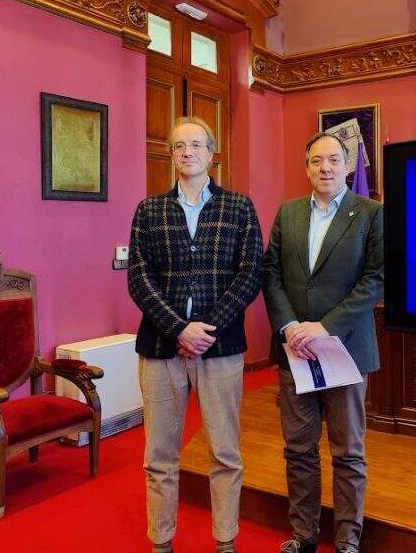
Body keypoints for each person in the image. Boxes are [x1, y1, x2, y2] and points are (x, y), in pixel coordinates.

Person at [128, 116, 263, 553]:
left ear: (211, 153)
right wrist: (179, 328)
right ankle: (161, 541)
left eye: (195, 145)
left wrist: (207, 328)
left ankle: (225, 540)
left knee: (225, 452)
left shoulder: (239, 207)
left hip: (220, 348)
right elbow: (139, 277)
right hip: (160, 348)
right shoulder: (149, 210)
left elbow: (250, 274)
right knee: (160, 457)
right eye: (178, 146)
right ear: (171, 156)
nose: (186, 152)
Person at [263, 132, 384, 553]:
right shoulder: (288, 212)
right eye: (317, 161)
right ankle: (303, 535)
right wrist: (290, 327)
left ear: (347, 165)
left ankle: (348, 541)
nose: (325, 168)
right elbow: (271, 274)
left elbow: (376, 279)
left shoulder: (369, 213)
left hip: (346, 349)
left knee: (348, 452)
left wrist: (325, 326)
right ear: (306, 166)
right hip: (294, 350)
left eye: (334, 160)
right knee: (298, 450)